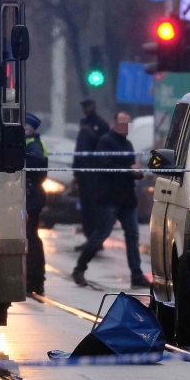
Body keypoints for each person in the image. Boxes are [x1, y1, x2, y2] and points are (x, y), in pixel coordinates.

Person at [72, 111, 152, 289]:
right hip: (108, 197)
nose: (125, 128)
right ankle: (79, 268)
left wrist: (136, 173)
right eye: (122, 124)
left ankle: (136, 275)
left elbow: (126, 169)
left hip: (126, 198)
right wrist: (129, 169)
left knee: (132, 236)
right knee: (102, 233)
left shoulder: (128, 144)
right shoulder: (106, 141)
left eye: (127, 124)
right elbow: (106, 166)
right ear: (114, 123)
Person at [73, 98, 111, 243]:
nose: (86, 109)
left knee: (95, 207)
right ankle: (89, 237)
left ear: (94, 106)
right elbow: (79, 149)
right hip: (83, 172)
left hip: (96, 173)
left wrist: (92, 134)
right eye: (84, 107)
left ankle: (96, 238)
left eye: (88, 106)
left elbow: (106, 145)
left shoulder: (101, 124)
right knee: (85, 207)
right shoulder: (84, 124)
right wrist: (76, 173)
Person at [25, 113, 49, 295]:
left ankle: (35, 279)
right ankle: (34, 278)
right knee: (31, 236)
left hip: (32, 196)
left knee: (31, 237)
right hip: (32, 195)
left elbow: (37, 162)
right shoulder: (32, 143)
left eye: (24, 127)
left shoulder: (33, 145)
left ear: (31, 129)